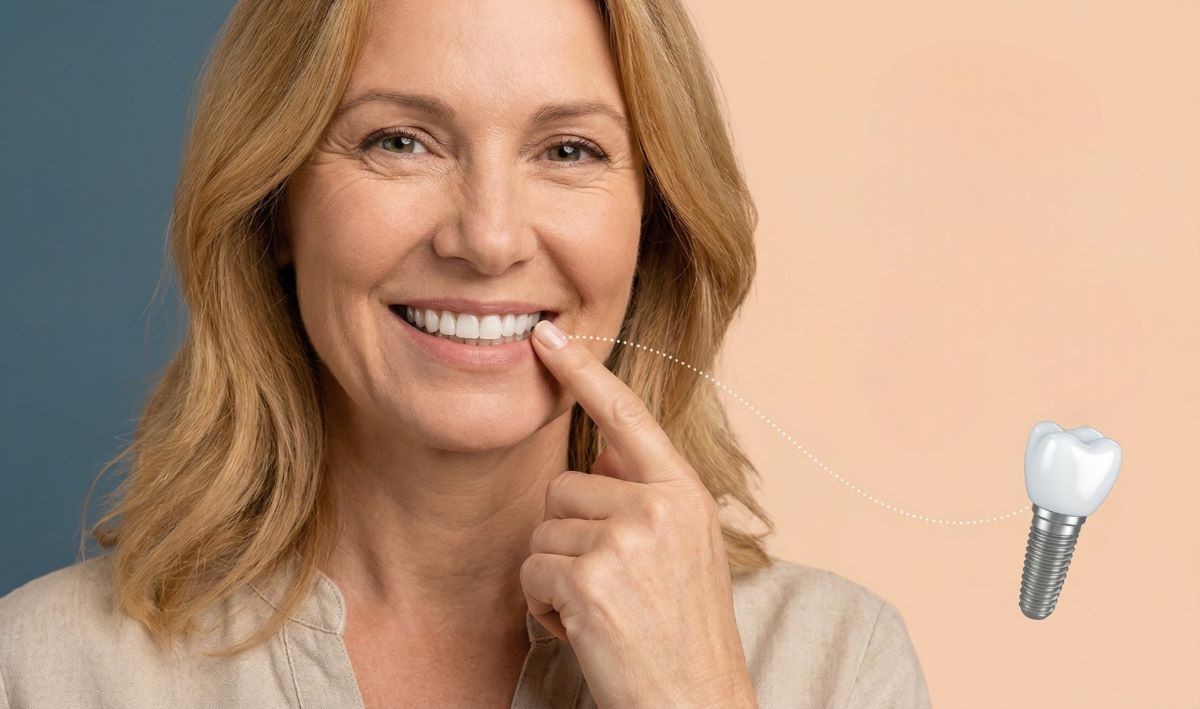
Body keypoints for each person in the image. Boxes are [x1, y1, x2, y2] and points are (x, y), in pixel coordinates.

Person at [0, 0, 932, 707]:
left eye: (568, 150)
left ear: (655, 224)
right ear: (276, 205)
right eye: (399, 141)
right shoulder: (46, 669)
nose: (487, 240)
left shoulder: (831, 663)